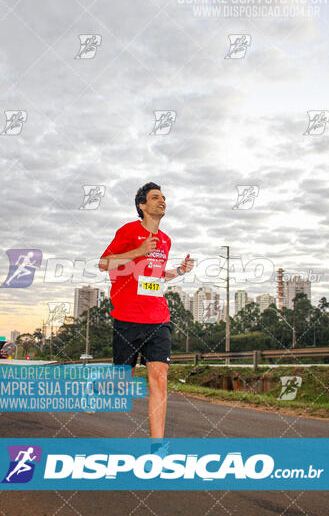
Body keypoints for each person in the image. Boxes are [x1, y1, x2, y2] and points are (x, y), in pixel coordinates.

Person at [99, 182, 194, 455]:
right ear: (142, 205)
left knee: (159, 379)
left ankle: (157, 447)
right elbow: (104, 263)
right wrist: (137, 252)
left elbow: (154, 276)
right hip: (128, 318)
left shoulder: (165, 240)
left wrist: (178, 270)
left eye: (163, 198)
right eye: (155, 198)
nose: (162, 201)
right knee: (121, 385)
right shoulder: (128, 231)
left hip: (158, 317)